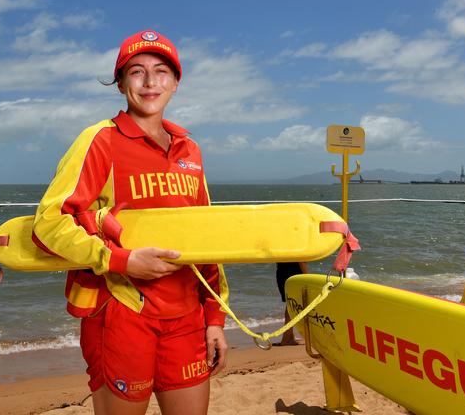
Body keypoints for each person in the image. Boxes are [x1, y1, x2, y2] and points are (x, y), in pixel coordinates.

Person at [31, 30, 229, 415]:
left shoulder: (191, 149)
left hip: (187, 316)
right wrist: (122, 261)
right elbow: (49, 224)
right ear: (120, 83)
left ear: (175, 81)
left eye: (161, 71)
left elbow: (207, 235)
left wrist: (215, 318)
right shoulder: (99, 140)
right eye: (137, 72)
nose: (150, 82)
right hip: (121, 312)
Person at [274, 261, 308, 346]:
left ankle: (288, 336)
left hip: (281, 272)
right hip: (294, 273)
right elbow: (301, 259)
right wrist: (307, 276)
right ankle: (287, 338)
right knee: (296, 304)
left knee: (291, 304)